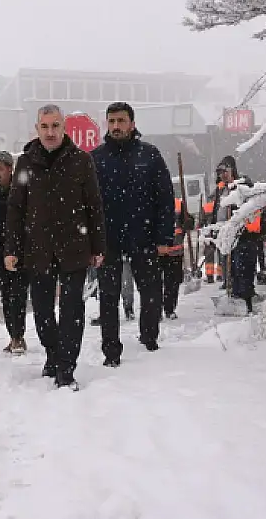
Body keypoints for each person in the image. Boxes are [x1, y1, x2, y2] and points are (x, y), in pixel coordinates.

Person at [6, 105, 106, 390]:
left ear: (64, 128)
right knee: (42, 312)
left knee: (72, 309)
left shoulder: (81, 161)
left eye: (56, 126)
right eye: (45, 126)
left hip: (75, 248)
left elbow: (94, 206)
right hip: (37, 249)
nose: (50, 132)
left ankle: (66, 367)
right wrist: (11, 248)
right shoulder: (26, 162)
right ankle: (52, 354)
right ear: (37, 129)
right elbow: (15, 208)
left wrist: (98, 246)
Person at [91, 102, 175, 366]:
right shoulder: (96, 158)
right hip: (108, 240)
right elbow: (88, 204)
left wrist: (163, 238)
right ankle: (111, 350)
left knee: (150, 291)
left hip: (144, 236)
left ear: (132, 124)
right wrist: (92, 241)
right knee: (108, 295)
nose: (116, 126)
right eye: (111, 121)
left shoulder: (149, 156)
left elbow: (165, 199)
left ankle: (149, 337)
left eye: (121, 121)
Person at [204, 155, 266, 314]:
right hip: (229, 237)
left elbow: (251, 211)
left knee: (243, 268)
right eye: (219, 172)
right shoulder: (220, 190)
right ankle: (236, 297)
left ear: (232, 170)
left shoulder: (242, 187)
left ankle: (247, 301)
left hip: (246, 236)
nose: (222, 174)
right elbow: (217, 211)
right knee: (232, 271)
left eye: (225, 171)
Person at [0, 150, 29, 354]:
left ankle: (18, 336)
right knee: (6, 296)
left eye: (0, 169)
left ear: (10, 169)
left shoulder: (19, 190)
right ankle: (12, 335)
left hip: (19, 251)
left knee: (17, 296)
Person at [162, 198, 196, 320]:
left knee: (173, 281)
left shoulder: (178, 204)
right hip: (157, 252)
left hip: (175, 251)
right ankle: (155, 308)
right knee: (155, 283)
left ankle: (169, 308)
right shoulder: (150, 200)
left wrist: (189, 222)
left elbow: (188, 220)